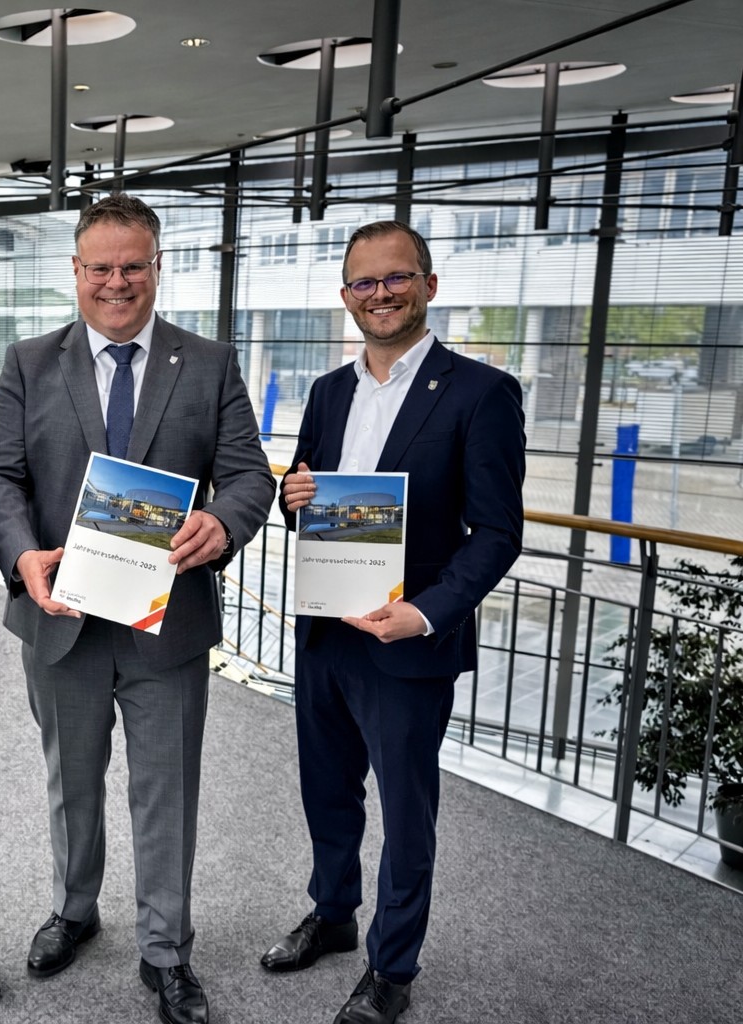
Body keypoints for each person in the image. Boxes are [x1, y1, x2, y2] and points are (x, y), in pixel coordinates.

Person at [0, 193, 274, 1024]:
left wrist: (224, 522)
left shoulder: (207, 363)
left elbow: (249, 475)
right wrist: (20, 556)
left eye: (132, 266)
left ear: (157, 267)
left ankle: (166, 949)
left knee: (165, 790)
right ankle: (74, 910)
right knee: (71, 780)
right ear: (75, 271)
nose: (116, 282)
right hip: (61, 619)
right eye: (99, 267)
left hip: (166, 625)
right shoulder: (29, 362)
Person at [262, 220, 525, 1024]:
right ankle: (334, 914)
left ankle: (393, 966)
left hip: (407, 642)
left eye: (396, 277)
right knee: (327, 790)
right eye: (364, 282)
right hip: (326, 630)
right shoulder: (328, 391)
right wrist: (291, 497)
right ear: (346, 296)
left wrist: (427, 611)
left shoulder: (480, 392)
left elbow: (497, 533)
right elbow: (306, 499)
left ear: (428, 285)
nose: (381, 294)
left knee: (407, 814)